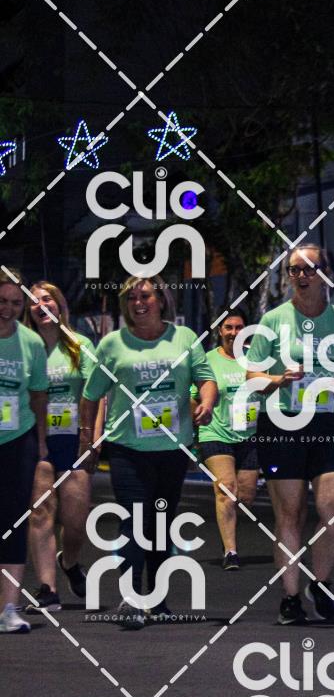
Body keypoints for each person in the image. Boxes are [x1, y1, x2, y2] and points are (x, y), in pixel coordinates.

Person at [79, 274, 217, 629]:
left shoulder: (184, 338)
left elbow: (206, 379)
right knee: (134, 519)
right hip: (127, 448)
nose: (138, 303)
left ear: (162, 300)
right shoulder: (112, 344)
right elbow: (91, 395)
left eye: (145, 296)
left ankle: (156, 601)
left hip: (172, 448)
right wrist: (87, 440)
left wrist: (206, 403)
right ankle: (131, 598)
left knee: (161, 524)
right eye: (131, 298)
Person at [246, 244, 334, 625]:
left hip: (329, 422)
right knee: (290, 513)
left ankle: (321, 583)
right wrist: (278, 379)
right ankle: (291, 596)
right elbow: (252, 377)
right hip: (283, 422)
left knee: (333, 506)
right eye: (294, 269)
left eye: (310, 268)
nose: (302, 275)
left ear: (326, 273)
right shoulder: (273, 320)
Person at [23, 282, 102, 612]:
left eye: (47, 299)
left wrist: (94, 438)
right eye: (34, 301)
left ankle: (68, 562)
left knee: (75, 521)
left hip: (74, 438)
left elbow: (97, 392)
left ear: (59, 304)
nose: (40, 305)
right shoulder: (26, 347)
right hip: (35, 439)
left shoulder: (79, 345)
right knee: (41, 512)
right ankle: (48, 589)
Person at [0, 269, 48, 634]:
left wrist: (42, 442)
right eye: (2, 301)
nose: (9, 309)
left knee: (13, 523)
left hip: (18, 440)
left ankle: (8, 608)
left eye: (16, 303)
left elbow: (38, 395)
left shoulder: (31, 342)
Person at [195, 309, 259, 571]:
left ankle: (227, 532)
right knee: (226, 490)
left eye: (239, 327)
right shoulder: (207, 361)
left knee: (246, 496)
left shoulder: (256, 360)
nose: (234, 332)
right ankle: (231, 551)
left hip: (249, 435)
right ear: (220, 331)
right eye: (228, 327)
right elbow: (194, 395)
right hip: (215, 432)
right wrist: (196, 418)